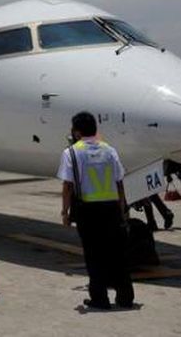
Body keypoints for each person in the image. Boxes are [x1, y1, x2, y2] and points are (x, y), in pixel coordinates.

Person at [59, 112, 135, 310]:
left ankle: (100, 299)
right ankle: (125, 298)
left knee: (94, 256)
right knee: (118, 255)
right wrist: (123, 209)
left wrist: (65, 212)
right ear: (95, 129)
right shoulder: (110, 150)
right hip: (111, 209)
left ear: (76, 131)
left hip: (87, 211)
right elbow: (119, 182)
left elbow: (68, 186)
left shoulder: (72, 153)